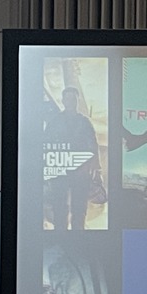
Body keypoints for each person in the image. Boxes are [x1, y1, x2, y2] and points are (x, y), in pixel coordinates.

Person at [41, 80, 103, 231]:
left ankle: (77, 238)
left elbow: (93, 145)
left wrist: (97, 170)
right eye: (67, 99)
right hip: (60, 171)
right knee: (59, 207)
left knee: (79, 209)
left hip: (81, 172)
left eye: (73, 99)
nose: (70, 102)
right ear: (63, 101)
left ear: (77, 101)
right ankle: (61, 236)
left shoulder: (84, 122)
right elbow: (46, 145)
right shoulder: (54, 122)